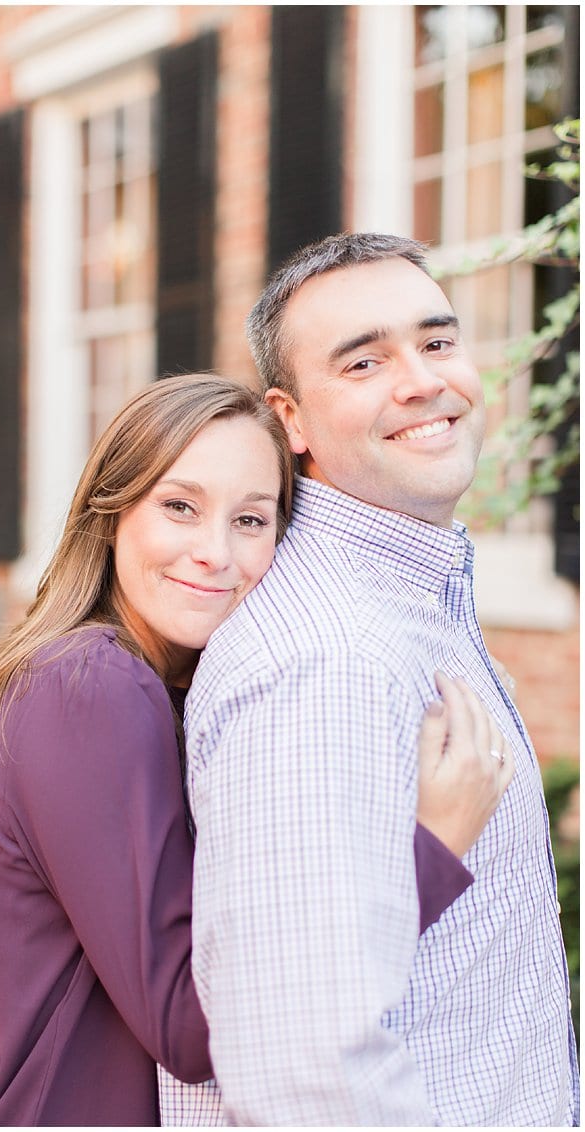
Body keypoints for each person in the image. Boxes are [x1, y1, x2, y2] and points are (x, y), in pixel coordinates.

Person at [0, 374, 511, 1126]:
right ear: (110, 513)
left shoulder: (171, 689)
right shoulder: (89, 686)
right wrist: (431, 848)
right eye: (179, 507)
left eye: (251, 520)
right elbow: (192, 1023)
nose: (214, 553)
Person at [160, 234, 578, 1124]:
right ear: (292, 420)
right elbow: (307, 1071)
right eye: (362, 361)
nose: (422, 380)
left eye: (435, 342)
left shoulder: (404, 606)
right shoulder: (324, 661)